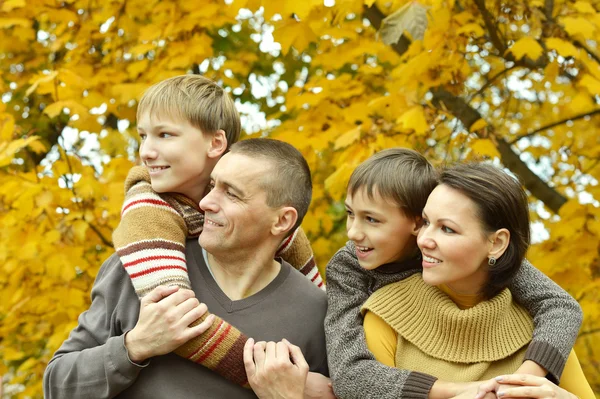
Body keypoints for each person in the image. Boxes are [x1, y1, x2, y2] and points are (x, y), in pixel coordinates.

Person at [43, 138, 329, 398]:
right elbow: (57, 386)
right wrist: (133, 346)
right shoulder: (140, 267)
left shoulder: (315, 311)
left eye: (231, 194)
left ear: (281, 221)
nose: (205, 202)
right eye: (212, 185)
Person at [112, 75, 324, 386]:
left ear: (216, 143)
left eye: (164, 135)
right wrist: (284, 381)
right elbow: (176, 321)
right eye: (143, 136)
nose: (146, 151)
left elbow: (312, 287)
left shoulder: (265, 208)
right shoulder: (148, 208)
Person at [324, 149, 584, 399]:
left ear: (413, 223)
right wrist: (454, 390)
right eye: (350, 214)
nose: (353, 232)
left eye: (372, 219)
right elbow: (349, 374)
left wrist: (521, 382)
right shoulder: (350, 270)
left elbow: (560, 306)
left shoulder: (468, 254)